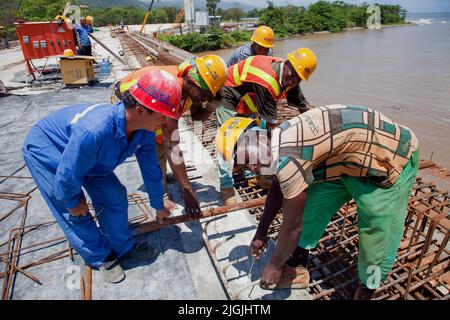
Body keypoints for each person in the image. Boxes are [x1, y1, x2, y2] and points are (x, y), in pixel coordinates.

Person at [215, 104, 420, 300]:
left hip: (388, 163)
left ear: (258, 137)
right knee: (311, 207)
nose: (251, 167)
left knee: (377, 235)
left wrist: (275, 266)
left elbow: (293, 226)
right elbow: (278, 188)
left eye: (247, 155)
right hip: (345, 163)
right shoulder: (277, 141)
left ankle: (369, 287)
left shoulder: (289, 157)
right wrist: (261, 232)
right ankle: (297, 266)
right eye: (242, 164)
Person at [23, 70, 182, 284]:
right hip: (49, 149)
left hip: (87, 157)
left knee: (114, 194)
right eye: (162, 116)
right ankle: (100, 256)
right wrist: (71, 200)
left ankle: (122, 247)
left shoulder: (143, 130)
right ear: (140, 110)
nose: (165, 122)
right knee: (74, 209)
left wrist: (158, 203)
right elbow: (68, 171)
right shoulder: (95, 131)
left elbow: (151, 168)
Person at [111, 55, 227, 214]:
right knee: (154, 146)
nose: (206, 98)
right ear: (192, 82)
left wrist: (210, 107)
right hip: (129, 102)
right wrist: (187, 187)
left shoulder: (192, 89)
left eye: (209, 95)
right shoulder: (171, 90)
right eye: (206, 93)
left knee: (162, 142)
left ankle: (163, 178)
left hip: (149, 104)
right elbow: (172, 144)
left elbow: (196, 117)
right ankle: (160, 195)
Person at [216, 48, 317, 205]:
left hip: (247, 101)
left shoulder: (289, 76)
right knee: (228, 141)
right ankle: (226, 186)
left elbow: (302, 105)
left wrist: (314, 127)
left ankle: (255, 176)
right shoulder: (266, 79)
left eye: (300, 78)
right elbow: (271, 126)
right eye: (294, 74)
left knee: (253, 138)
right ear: (287, 63)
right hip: (228, 98)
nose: (295, 80)